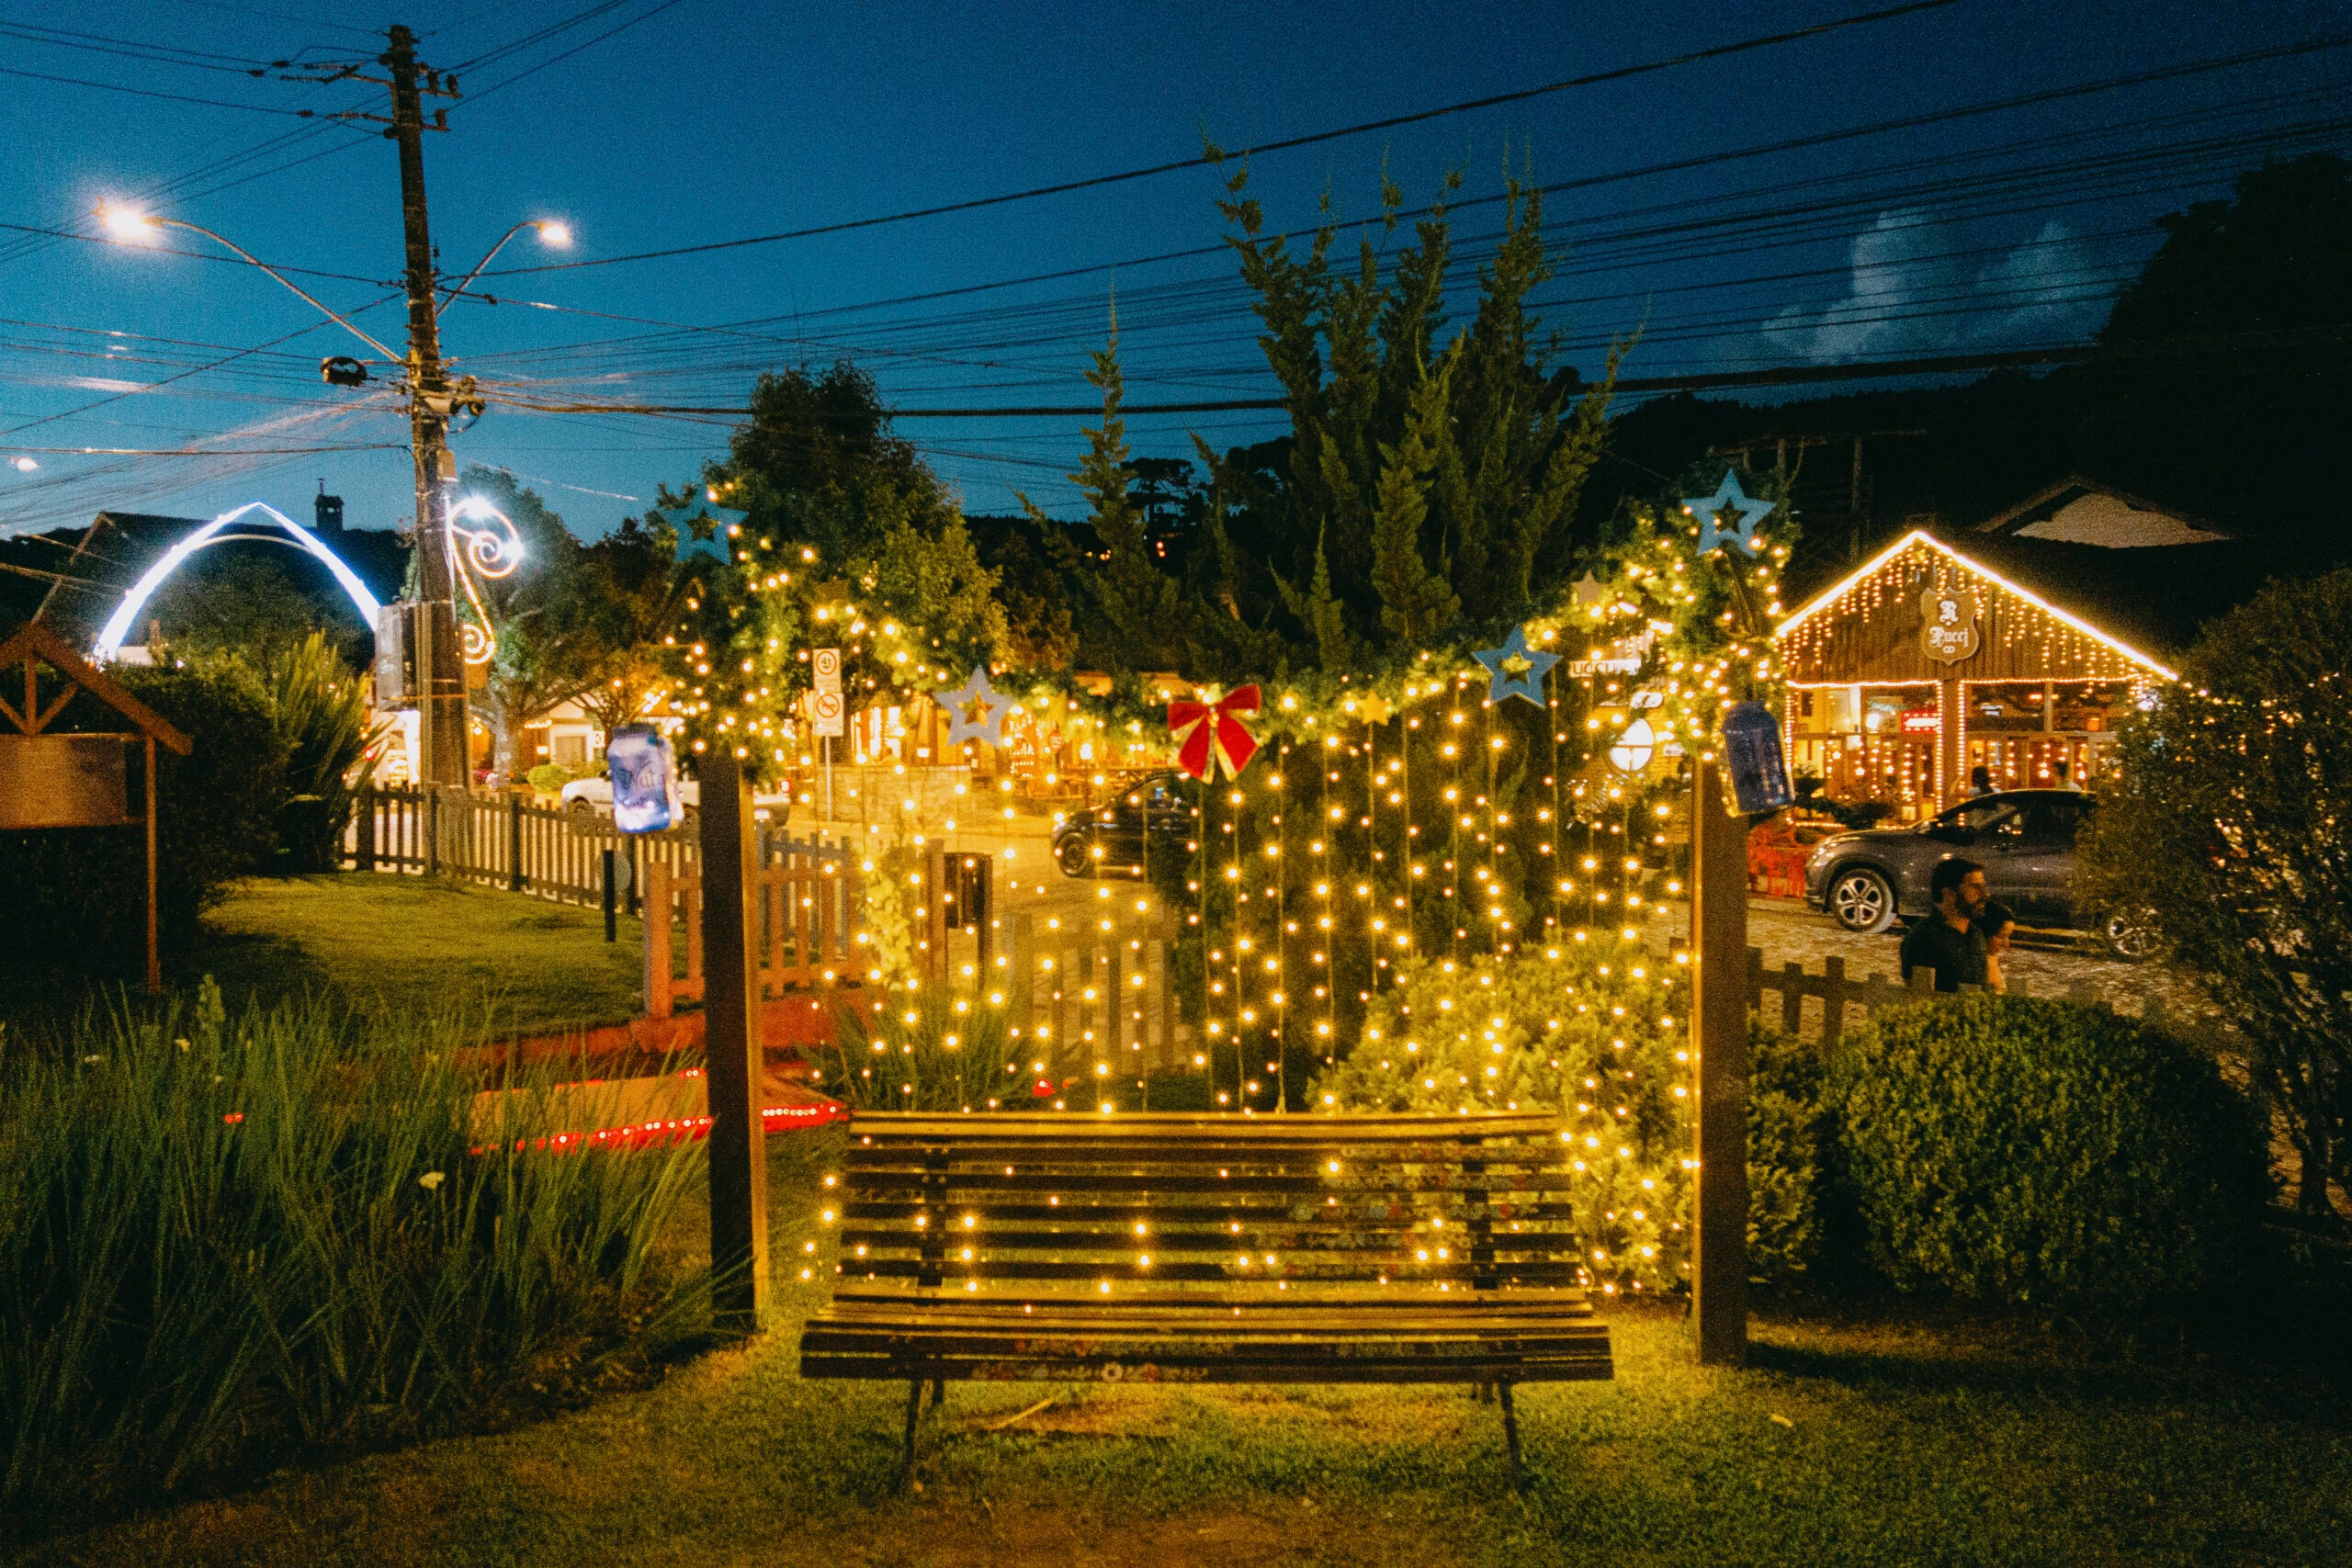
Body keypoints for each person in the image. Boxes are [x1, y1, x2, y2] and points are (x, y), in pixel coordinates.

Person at [1899, 857, 1989, 993]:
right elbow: (1918, 994)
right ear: (1949, 894)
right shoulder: (1923, 938)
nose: (1985, 894)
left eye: (1983, 887)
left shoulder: (1976, 934)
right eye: (1975, 887)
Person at [1977, 899, 2017, 993]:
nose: (2006, 943)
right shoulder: (1977, 963)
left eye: (2008, 937)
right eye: (2001, 936)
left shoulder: (1991, 958)